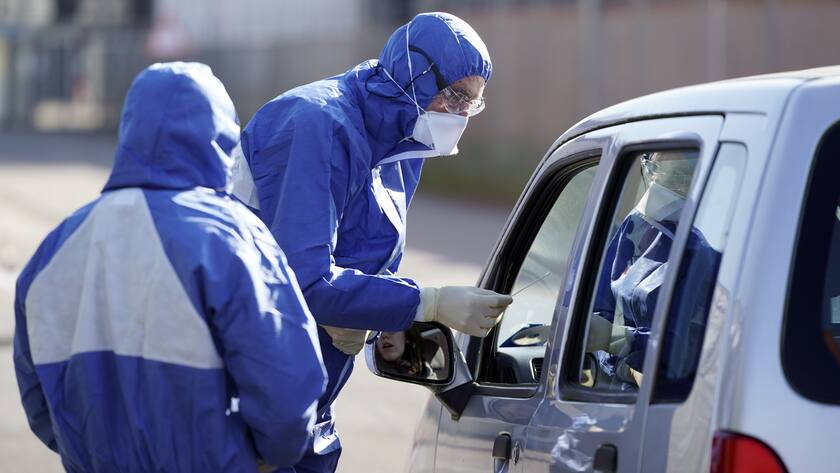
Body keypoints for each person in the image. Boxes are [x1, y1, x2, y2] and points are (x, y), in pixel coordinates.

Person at [231, 11, 513, 472]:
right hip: (245, 394)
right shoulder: (316, 124)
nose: (462, 115)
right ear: (415, 76)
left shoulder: (404, 144)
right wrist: (427, 302)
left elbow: (366, 261)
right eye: (456, 97)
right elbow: (303, 280)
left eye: (473, 104)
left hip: (305, 397)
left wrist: (386, 318)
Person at [13, 62, 327, 473]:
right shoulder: (233, 238)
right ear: (223, 139)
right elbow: (286, 387)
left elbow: (39, 399)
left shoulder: (55, 249)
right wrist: (264, 456)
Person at [587, 150, 717, 389]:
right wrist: (620, 362)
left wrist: (623, 341)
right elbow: (598, 308)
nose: (658, 184)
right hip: (617, 388)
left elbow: (688, 350)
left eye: (680, 176)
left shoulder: (704, 254)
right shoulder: (635, 227)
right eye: (653, 170)